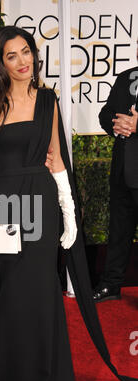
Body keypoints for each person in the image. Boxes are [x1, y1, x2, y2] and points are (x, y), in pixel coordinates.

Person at [0, 26, 85, 381]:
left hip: (41, 201)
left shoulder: (48, 100)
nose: (22, 62)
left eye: (26, 53)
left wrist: (69, 213)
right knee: (8, 296)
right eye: (12, 56)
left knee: (40, 294)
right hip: (5, 204)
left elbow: (55, 158)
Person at [93, 41, 138, 303]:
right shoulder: (125, 78)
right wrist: (118, 124)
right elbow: (104, 114)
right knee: (119, 231)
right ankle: (111, 285)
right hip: (122, 170)